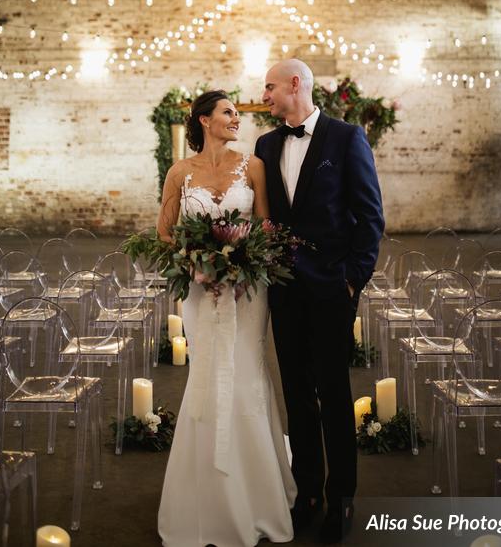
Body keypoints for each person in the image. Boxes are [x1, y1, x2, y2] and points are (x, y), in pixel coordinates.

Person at [157, 90, 296, 547]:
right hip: (199, 292)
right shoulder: (180, 172)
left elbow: (266, 226)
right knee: (207, 375)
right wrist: (193, 261)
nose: (237, 118)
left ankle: (256, 494)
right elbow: (164, 229)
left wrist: (243, 263)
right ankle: (206, 497)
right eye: (228, 112)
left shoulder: (252, 165)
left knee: (244, 376)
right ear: (204, 119)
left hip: (247, 292)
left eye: (237, 112)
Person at [255, 60, 384, 544]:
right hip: (284, 290)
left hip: (332, 289)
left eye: (269, 86)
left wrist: (353, 279)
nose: (263, 95)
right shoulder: (266, 145)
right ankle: (306, 493)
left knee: (333, 394)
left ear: (295, 85)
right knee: (296, 393)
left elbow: (371, 216)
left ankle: (341, 500)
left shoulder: (346, 138)